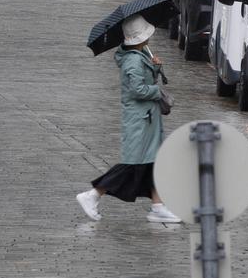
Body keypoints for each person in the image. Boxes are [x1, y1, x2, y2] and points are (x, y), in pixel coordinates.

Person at [77, 17, 182, 225]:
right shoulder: (133, 61)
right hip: (140, 120)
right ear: (140, 38)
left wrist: (155, 68)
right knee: (132, 165)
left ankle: (158, 206)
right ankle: (93, 195)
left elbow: (143, 81)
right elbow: (137, 90)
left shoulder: (140, 56)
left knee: (153, 163)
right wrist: (157, 91)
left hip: (147, 119)